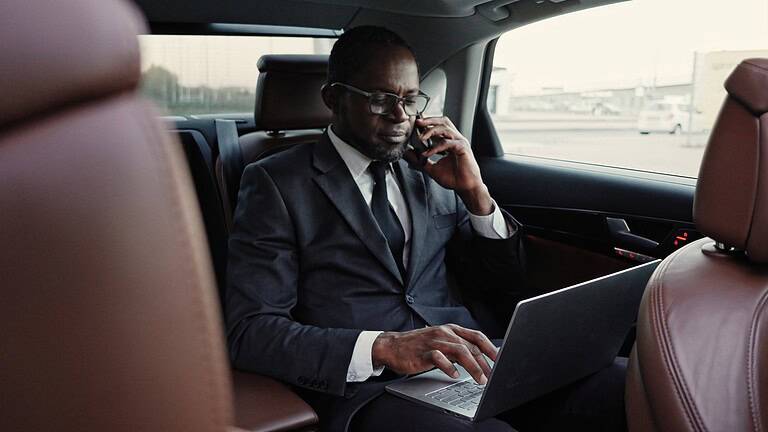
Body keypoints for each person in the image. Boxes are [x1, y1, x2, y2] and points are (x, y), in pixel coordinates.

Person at [225, 26, 626, 432]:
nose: (401, 115)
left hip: (472, 362)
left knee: (629, 384)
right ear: (334, 98)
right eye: (381, 100)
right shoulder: (275, 182)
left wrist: (476, 194)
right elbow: (250, 331)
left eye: (410, 99)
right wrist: (384, 347)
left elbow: (504, 285)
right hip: (370, 390)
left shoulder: (432, 169)